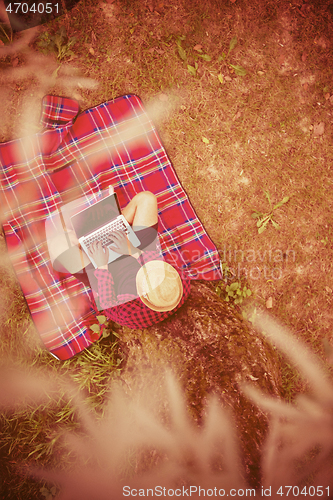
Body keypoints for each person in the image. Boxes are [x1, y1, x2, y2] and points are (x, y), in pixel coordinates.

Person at [73, 191, 191, 329]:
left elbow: (105, 300)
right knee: (146, 199)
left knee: (61, 243)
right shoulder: (177, 289)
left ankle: (99, 233)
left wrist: (102, 266)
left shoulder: (127, 315)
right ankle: (112, 226)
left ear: (146, 300)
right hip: (139, 254)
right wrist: (132, 250)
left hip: (106, 269)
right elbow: (154, 260)